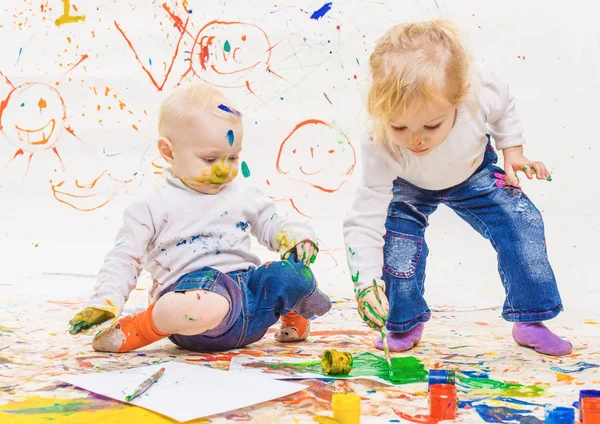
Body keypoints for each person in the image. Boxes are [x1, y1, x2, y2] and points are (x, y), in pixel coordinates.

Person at [343, 19, 572, 356]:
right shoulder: (380, 142)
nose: (416, 139)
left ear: (461, 96)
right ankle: (402, 321)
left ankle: (530, 319)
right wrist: (365, 284)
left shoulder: (479, 93)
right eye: (400, 126)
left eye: (431, 125)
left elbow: (505, 105)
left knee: (523, 221)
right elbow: (366, 216)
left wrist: (513, 150)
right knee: (398, 249)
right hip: (410, 187)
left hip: (473, 173)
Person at [69, 81, 331, 352]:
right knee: (199, 303)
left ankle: (293, 319)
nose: (223, 171)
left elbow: (272, 224)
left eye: (232, 158)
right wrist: (105, 302)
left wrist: (297, 237)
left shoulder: (243, 194)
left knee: (296, 275)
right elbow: (123, 259)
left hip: (250, 301)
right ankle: (134, 330)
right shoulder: (151, 207)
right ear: (169, 151)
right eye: (209, 159)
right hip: (194, 309)